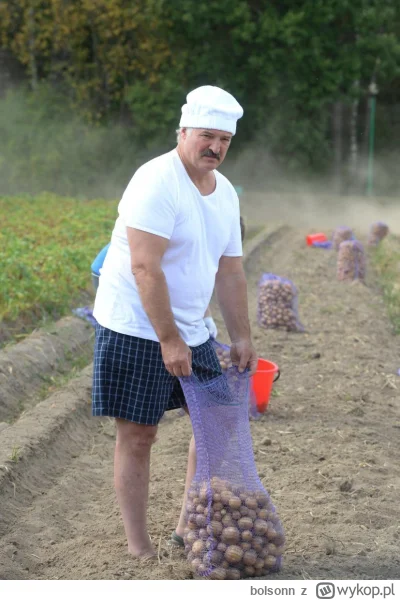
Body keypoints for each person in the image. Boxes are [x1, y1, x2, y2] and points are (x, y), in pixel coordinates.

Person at [92, 85, 258, 559]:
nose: (217, 147)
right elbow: (146, 268)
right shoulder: (155, 182)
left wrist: (242, 335)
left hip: (191, 325)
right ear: (182, 132)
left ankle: (187, 526)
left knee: (219, 422)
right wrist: (168, 340)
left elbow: (230, 270)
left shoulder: (224, 193)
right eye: (208, 135)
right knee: (139, 434)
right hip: (136, 325)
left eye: (225, 139)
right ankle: (139, 548)